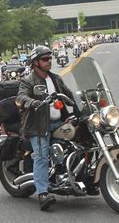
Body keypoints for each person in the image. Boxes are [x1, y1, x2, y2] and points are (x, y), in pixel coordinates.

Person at [16, 46, 77, 211]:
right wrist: (32, 102)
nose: (49, 61)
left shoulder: (55, 78)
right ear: (35, 62)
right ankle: (43, 193)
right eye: (44, 59)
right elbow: (21, 97)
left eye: (50, 58)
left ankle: (72, 177)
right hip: (38, 126)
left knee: (79, 140)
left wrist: (84, 101)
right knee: (42, 156)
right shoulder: (28, 80)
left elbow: (69, 94)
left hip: (59, 122)